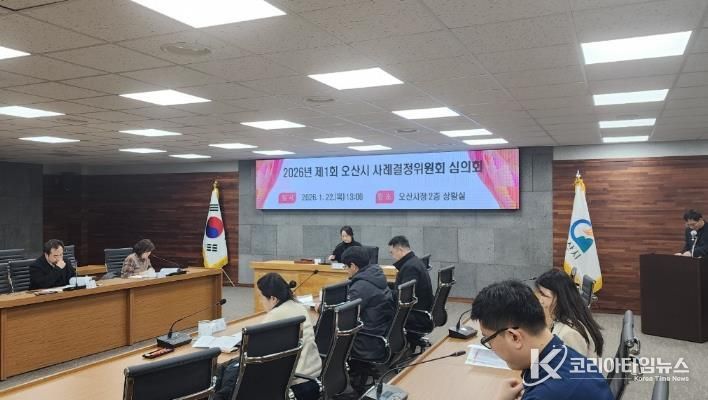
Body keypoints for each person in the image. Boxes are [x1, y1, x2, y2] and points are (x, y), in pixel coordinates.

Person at [471, 280, 613, 400]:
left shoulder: (545, 394)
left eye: (488, 340)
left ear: (514, 337)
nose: (491, 347)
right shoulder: (561, 351)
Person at [213, 273, 321, 400]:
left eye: (262, 297)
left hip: (294, 382)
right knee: (232, 368)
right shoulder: (299, 307)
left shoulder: (275, 315)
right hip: (312, 375)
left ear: (273, 298)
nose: (261, 301)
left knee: (233, 371)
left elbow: (252, 351)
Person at [534, 270, 604, 358]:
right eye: (539, 293)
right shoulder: (564, 317)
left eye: (544, 295)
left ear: (560, 299)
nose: (540, 300)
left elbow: (572, 366)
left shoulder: (569, 335)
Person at [341, 246, 394, 361]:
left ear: (353, 266)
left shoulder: (361, 286)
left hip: (366, 341)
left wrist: (321, 308)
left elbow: (345, 316)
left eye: (345, 266)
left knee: (328, 332)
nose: (345, 270)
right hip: (380, 333)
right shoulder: (375, 274)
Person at [388, 235, 433, 332]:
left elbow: (404, 297)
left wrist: (386, 293)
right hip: (421, 309)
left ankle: (392, 339)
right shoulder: (415, 262)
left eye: (392, 253)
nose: (392, 256)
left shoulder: (410, 268)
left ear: (400, 250)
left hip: (416, 315)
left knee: (380, 311)